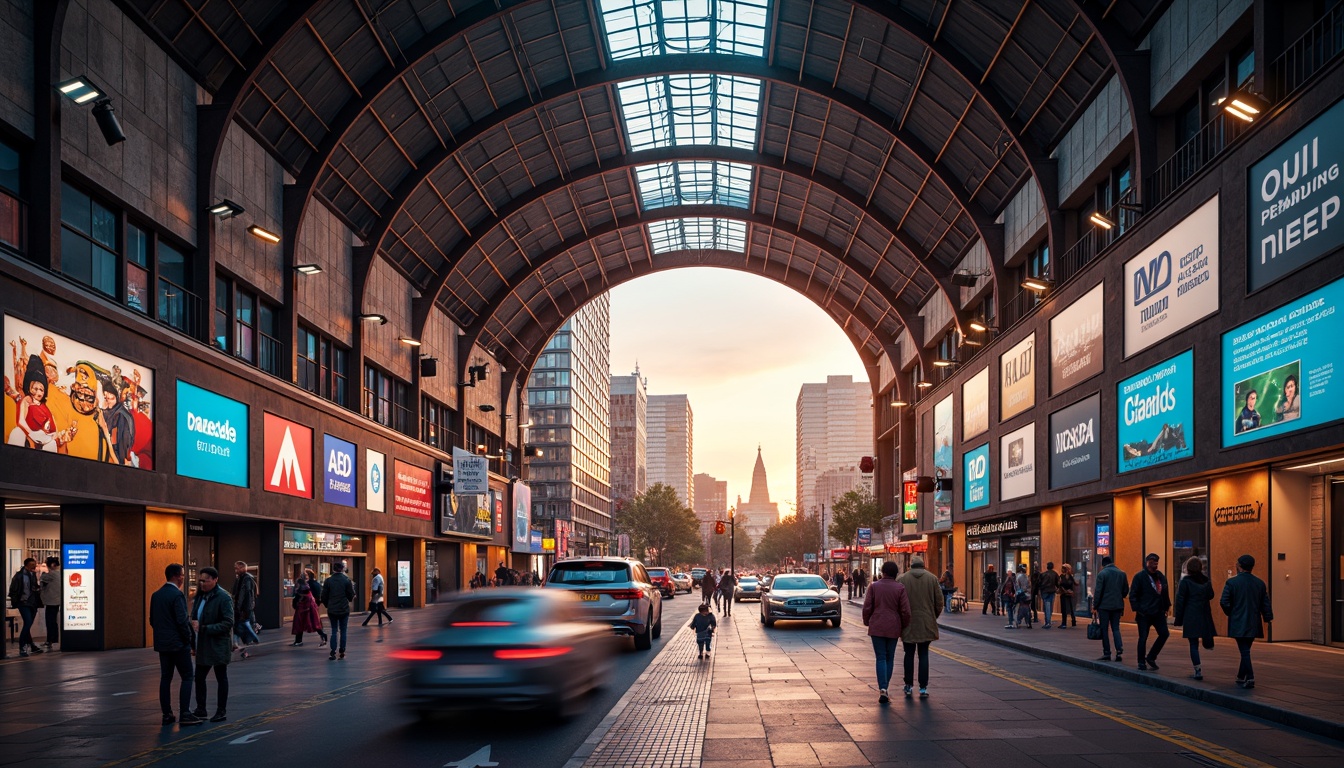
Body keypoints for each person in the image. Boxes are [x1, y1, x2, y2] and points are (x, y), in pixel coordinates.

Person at [149, 563, 200, 726]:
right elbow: (182, 621)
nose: (183, 578)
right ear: (177, 576)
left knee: (166, 677)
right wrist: (189, 640)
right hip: (178, 643)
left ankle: (167, 714)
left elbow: (152, 620)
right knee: (187, 676)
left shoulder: (156, 595)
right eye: (182, 575)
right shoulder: (177, 596)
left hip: (163, 644)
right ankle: (185, 712)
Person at [862, 561, 911, 704]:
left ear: (883, 572)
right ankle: (885, 687)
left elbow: (867, 607)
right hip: (893, 626)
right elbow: (906, 611)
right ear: (896, 573)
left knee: (881, 657)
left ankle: (883, 688)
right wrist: (904, 625)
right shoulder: (900, 588)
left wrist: (867, 621)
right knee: (890, 657)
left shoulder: (874, 586)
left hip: (877, 625)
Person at [1221, 554, 1273, 688]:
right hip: (1253, 621)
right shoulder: (1260, 583)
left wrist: (1231, 613)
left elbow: (1224, 602)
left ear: (1239, 566)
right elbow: (1265, 603)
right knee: (1246, 649)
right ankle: (1240, 676)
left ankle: (1249, 677)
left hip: (1238, 621)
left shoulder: (1231, 582)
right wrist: (1268, 618)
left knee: (1244, 651)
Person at [190, 567, 233, 722]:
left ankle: (221, 710)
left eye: (205, 580)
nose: (202, 584)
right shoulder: (201, 596)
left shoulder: (223, 597)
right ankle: (201, 708)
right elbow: (194, 618)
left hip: (218, 643)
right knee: (199, 677)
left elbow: (228, 623)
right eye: (200, 580)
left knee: (221, 676)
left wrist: (205, 628)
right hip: (202, 643)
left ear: (215, 580)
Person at [897, 556, 941, 698]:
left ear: (911, 565)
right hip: (926, 622)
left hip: (908, 623)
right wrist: (932, 616)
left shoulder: (902, 579)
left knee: (908, 654)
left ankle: (908, 685)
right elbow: (939, 602)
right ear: (923, 565)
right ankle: (923, 688)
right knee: (924, 654)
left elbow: (898, 603)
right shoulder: (932, 579)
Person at [1173, 556, 1215, 681]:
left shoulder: (1185, 582)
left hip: (1190, 614)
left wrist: (1178, 618)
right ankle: (1208, 643)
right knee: (1204, 634)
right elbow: (1211, 595)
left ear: (1188, 568)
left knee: (1193, 643)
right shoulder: (1206, 581)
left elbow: (1180, 601)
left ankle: (1197, 669)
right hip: (1204, 613)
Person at [1129, 553, 1171, 671]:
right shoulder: (1140, 577)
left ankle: (1151, 656)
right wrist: (1139, 609)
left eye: (1156, 561)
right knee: (1143, 637)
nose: (1154, 564)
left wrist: (1166, 607)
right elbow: (1133, 595)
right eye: (1152, 561)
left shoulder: (1160, 576)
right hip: (1144, 613)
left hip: (1158, 612)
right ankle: (1141, 661)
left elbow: (1165, 592)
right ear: (1147, 562)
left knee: (1164, 634)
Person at [1092, 555, 1129, 662]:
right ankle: (1119, 650)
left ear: (1103, 564)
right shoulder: (1122, 574)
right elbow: (1125, 590)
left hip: (1104, 606)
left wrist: (1095, 605)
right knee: (1116, 628)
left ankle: (1107, 652)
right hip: (1117, 605)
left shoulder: (1102, 574)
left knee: (1104, 629)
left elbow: (1098, 591)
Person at [320, 561, 356, 660]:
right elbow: (351, 595)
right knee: (343, 630)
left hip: (332, 609)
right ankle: (342, 651)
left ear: (333, 569)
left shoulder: (328, 581)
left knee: (334, 630)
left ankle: (332, 652)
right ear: (342, 569)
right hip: (344, 609)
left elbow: (323, 596)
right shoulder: (346, 580)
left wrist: (328, 605)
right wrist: (348, 600)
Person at [7, 557, 43, 656]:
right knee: (27, 623)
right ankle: (22, 646)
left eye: (35, 565)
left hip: (32, 603)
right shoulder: (19, 576)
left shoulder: (33, 574)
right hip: (23, 603)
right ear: (26, 565)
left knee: (28, 624)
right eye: (32, 565)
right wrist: (16, 601)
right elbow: (13, 590)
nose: (34, 566)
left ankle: (31, 645)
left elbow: (34, 587)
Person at [231, 561, 259, 659]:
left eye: (237, 568)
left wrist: (241, 607)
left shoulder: (246, 579)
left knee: (244, 627)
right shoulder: (240, 579)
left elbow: (246, 594)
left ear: (242, 568)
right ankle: (237, 643)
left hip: (245, 608)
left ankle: (245, 646)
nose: (236, 570)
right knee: (240, 627)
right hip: (242, 608)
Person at [291, 573, 326, 647]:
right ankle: (322, 635)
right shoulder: (309, 588)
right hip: (310, 608)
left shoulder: (301, 591)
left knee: (300, 624)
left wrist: (296, 604)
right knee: (314, 623)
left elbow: (298, 599)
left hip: (303, 609)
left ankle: (298, 640)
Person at [39, 556, 61, 649]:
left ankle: (50, 640)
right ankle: (54, 640)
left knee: (49, 621)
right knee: (53, 622)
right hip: (57, 601)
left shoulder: (51, 575)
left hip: (51, 601)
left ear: (52, 565)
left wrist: (42, 572)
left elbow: (42, 579)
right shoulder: (60, 574)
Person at [1038, 562, 1060, 628]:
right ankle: (1048, 620)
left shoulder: (1043, 574)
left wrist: (1040, 590)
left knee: (1047, 607)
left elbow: (1039, 583)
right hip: (1052, 591)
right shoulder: (1055, 574)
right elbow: (1058, 583)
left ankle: (1047, 622)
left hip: (1045, 591)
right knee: (1050, 607)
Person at [1057, 564, 1078, 628]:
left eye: (1063, 568)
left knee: (1064, 609)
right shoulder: (1071, 576)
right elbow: (1076, 583)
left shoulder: (1061, 576)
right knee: (1071, 608)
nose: (1062, 569)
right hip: (1070, 593)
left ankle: (1064, 623)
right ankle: (1073, 621)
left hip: (1064, 594)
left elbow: (1060, 584)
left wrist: (1065, 590)